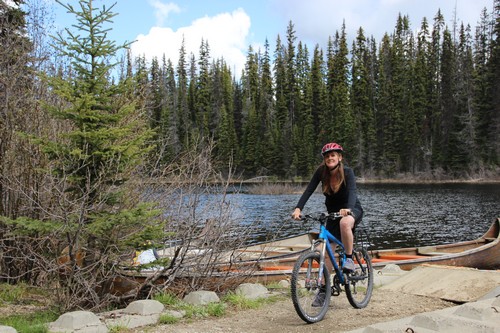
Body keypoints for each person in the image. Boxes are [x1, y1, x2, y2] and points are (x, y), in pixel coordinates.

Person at [292, 142, 363, 306]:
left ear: (339, 157)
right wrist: (298, 208)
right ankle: (324, 291)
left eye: (333, 155)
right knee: (324, 251)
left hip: (351, 210)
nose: (330, 158)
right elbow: (308, 190)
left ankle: (350, 258)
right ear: (324, 159)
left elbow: (352, 192)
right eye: (327, 156)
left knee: (345, 224)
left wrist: (349, 209)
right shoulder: (321, 172)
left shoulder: (347, 172)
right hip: (332, 214)